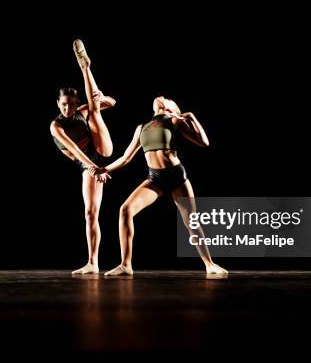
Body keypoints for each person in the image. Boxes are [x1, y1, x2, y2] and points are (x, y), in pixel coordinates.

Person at [91, 96, 228, 276]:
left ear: (172, 108)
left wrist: (191, 117)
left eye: (168, 98)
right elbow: (125, 157)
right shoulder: (142, 128)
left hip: (177, 175)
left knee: (191, 222)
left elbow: (204, 142)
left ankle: (209, 264)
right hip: (155, 178)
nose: (162, 97)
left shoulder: (173, 121)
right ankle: (126, 265)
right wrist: (103, 169)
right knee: (125, 210)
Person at [50, 39, 115, 275]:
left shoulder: (82, 111)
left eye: (71, 105)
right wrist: (93, 168)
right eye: (64, 105)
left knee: (96, 108)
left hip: (100, 150)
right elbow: (75, 151)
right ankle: (93, 262)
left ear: (76, 103)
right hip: (86, 162)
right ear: (58, 103)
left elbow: (113, 103)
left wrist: (101, 97)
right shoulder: (55, 125)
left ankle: (85, 67)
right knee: (90, 212)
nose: (68, 109)